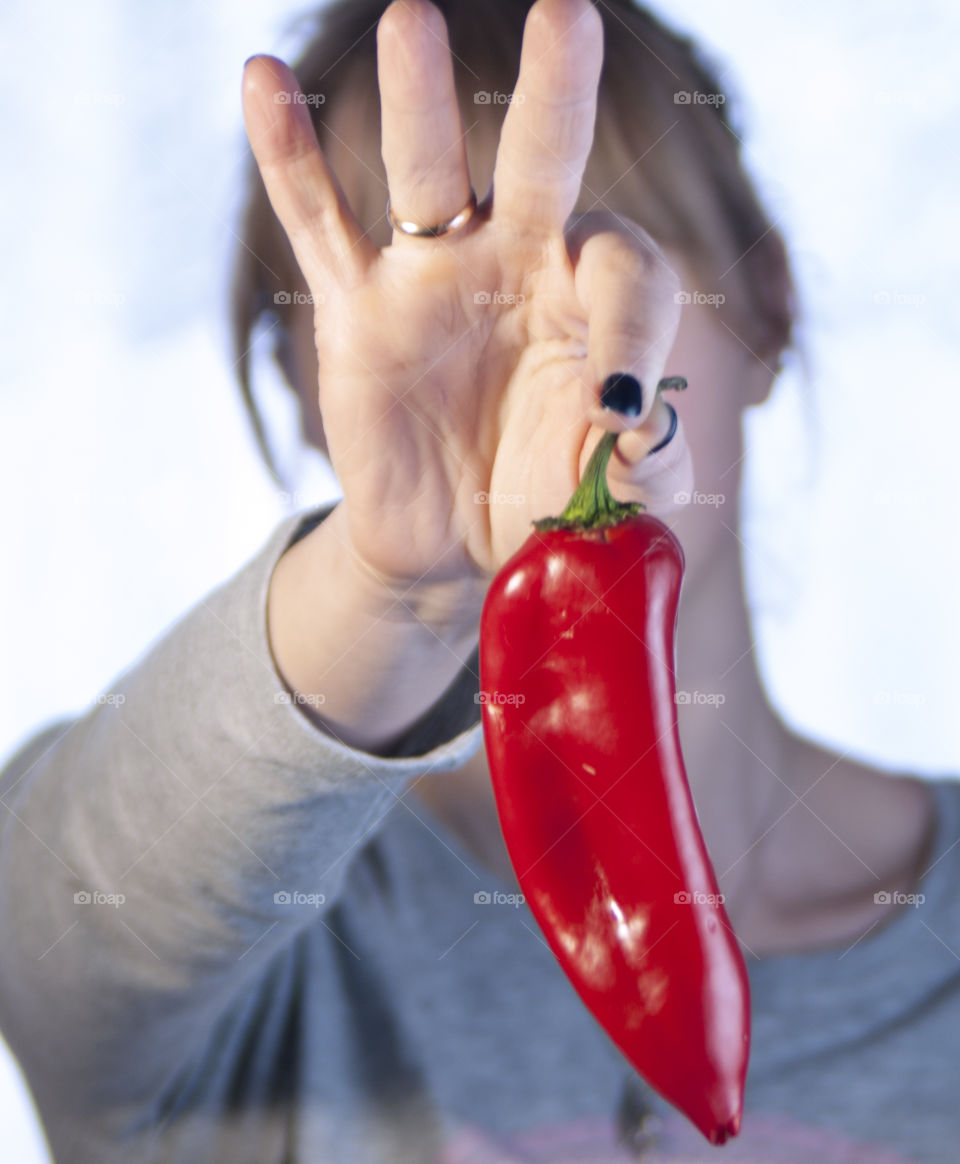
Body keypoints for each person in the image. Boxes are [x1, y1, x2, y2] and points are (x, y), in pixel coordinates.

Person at [0, 0, 953, 1161]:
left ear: (770, 306)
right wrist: (397, 584)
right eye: (407, 266)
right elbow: (39, 936)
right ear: (306, 389)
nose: (535, 349)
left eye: (608, 255)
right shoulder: (283, 946)